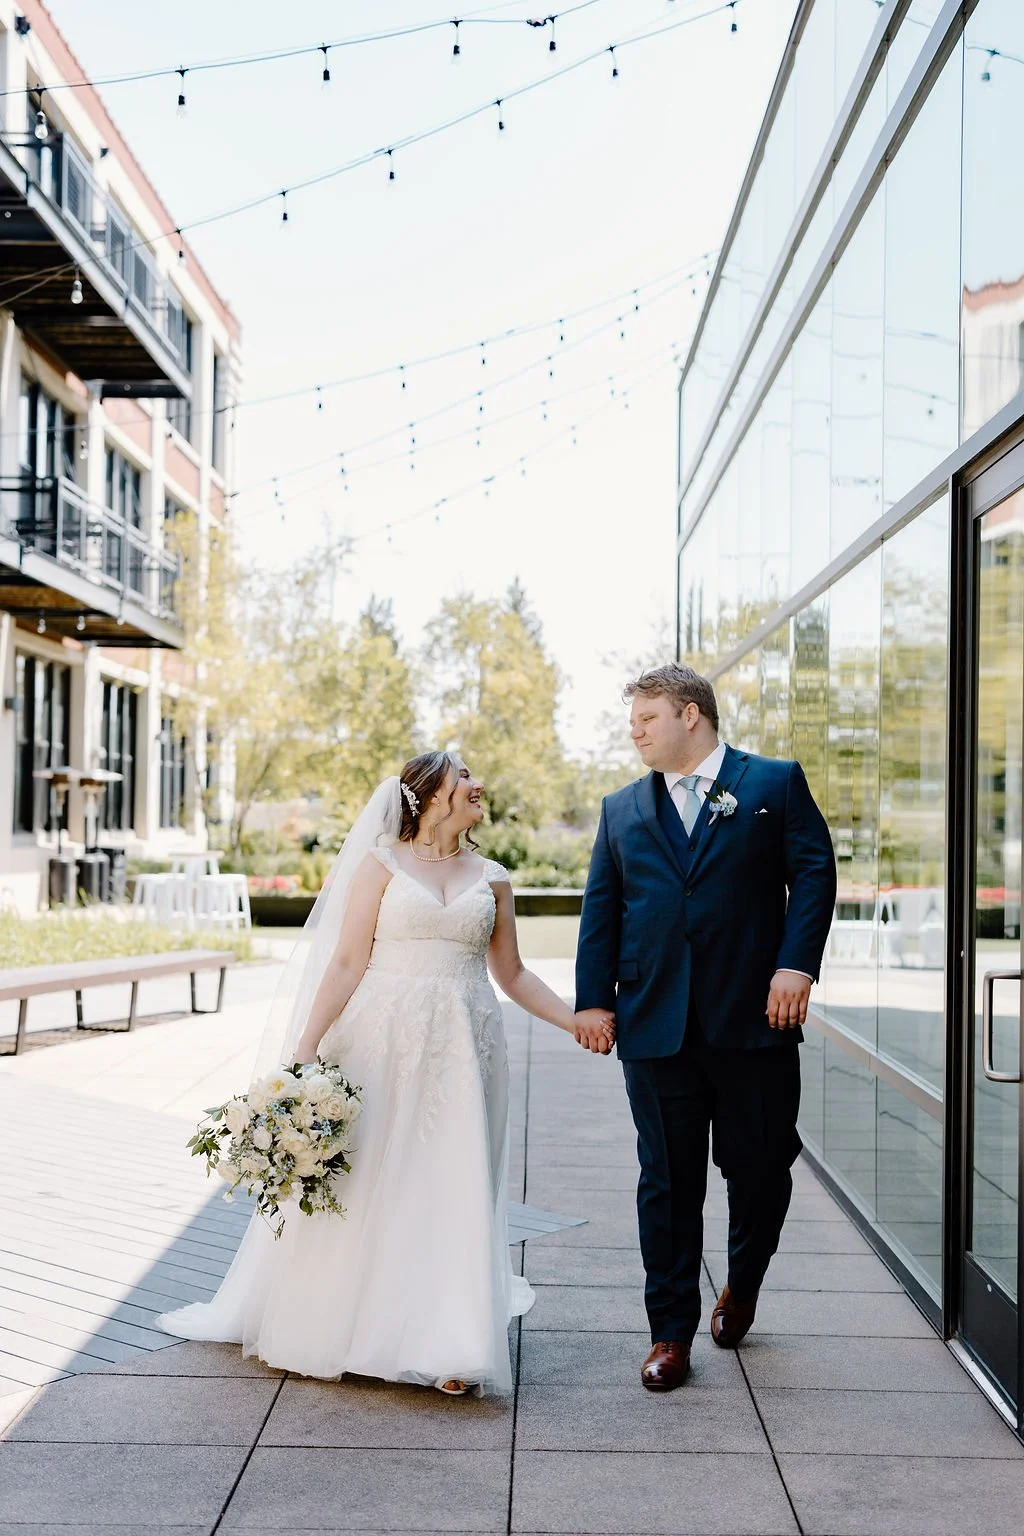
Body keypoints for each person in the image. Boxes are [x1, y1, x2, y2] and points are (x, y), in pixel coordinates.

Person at [158, 751, 614, 1396]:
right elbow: (346, 962)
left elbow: (510, 973)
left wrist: (573, 1021)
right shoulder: (380, 865)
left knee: (453, 1179)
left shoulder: (494, 875)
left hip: (465, 1043)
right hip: (379, 1036)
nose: (478, 785)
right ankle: (334, 1324)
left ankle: (451, 1343)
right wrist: (306, 1046)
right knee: (373, 1176)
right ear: (428, 794)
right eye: (464, 777)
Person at [573, 664, 836, 1391]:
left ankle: (743, 1283)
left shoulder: (771, 784)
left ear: (692, 715)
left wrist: (797, 966)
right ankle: (668, 1334)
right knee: (666, 1180)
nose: (636, 731)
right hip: (655, 1024)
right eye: (632, 721)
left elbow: (814, 873)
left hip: (755, 1021)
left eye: (647, 718)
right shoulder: (621, 808)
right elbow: (603, 909)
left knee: (759, 1170)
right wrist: (592, 1000)